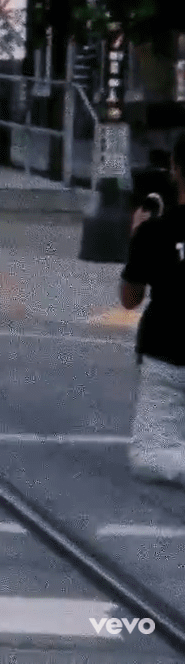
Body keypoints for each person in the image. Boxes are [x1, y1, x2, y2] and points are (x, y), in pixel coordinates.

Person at [122, 134, 185, 487]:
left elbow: (129, 298)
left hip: (166, 356)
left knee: (149, 455)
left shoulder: (155, 231)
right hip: (166, 360)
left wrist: (137, 238)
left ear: (175, 169)